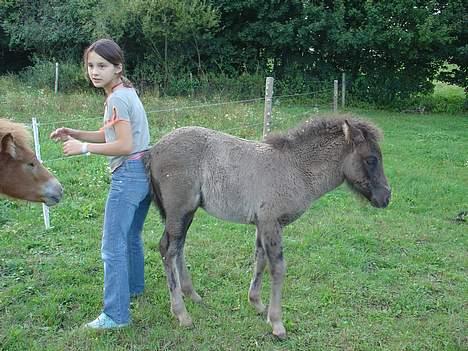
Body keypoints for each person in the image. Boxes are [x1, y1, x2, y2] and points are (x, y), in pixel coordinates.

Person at [50, 38, 151, 329]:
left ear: (118, 68)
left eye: (102, 66)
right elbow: (109, 135)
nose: (95, 71)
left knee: (111, 246)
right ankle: (133, 288)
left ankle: (116, 315)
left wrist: (83, 149)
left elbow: (123, 144)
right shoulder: (125, 92)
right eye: (91, 65)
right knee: (131, 235)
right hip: (144, 170)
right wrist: (76, 133)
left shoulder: (117, 99)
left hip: (128, 174)